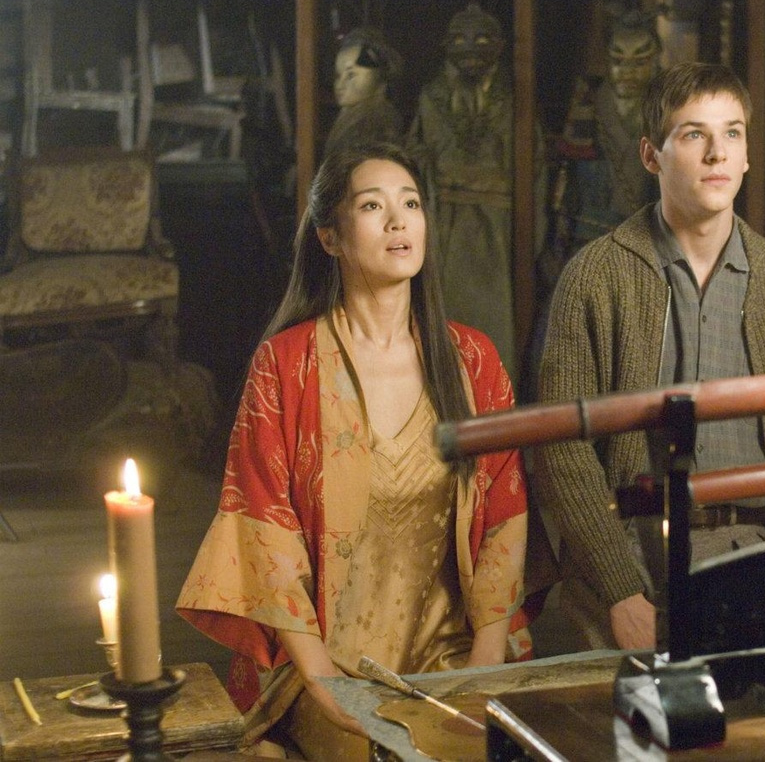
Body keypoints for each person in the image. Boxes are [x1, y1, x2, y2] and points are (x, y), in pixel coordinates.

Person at [176, 142, 532, 758]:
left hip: (452, 657)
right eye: (372, 206)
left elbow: (505, 516)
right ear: (330, 238)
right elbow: (264, 532)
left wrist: (483, 667)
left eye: (411, 204)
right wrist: (325, 685)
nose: (398, 221)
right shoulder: (287, 365)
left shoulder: (473, 360)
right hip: (327, 664)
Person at [531, 61, 765, 651]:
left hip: (761, 553)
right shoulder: (596, 275)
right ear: (652, 156)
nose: (717, 154)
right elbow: (561, 447)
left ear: (746, 155)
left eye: (732, 134)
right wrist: (620, 591)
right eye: (695, 134)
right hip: (633, 558)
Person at [522, 8, 662, 401]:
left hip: (644, 246)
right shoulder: (590, 105)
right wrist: (556, 243)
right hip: (584, 242)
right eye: (618, 59)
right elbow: (565, 183)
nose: (627, 72)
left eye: (639, 60)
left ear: (655, 61)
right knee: (562, 345)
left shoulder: (664, 111)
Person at [405, 0, 545, 375]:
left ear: (499, 46)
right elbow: (415, 159)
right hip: (444, 224)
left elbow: (534, 167)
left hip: (499, 228)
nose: (470, 49)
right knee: (444, 327)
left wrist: (533, 236)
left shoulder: (515, 100)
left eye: (482, 40)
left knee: (495, 329)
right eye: (459, 40)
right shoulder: (431, 98)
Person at [323, 27, 406, 158]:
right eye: (338, 76)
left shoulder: (376, 126)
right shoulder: (351, 117)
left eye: (351, 75)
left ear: (378, 75)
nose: (340, 84)